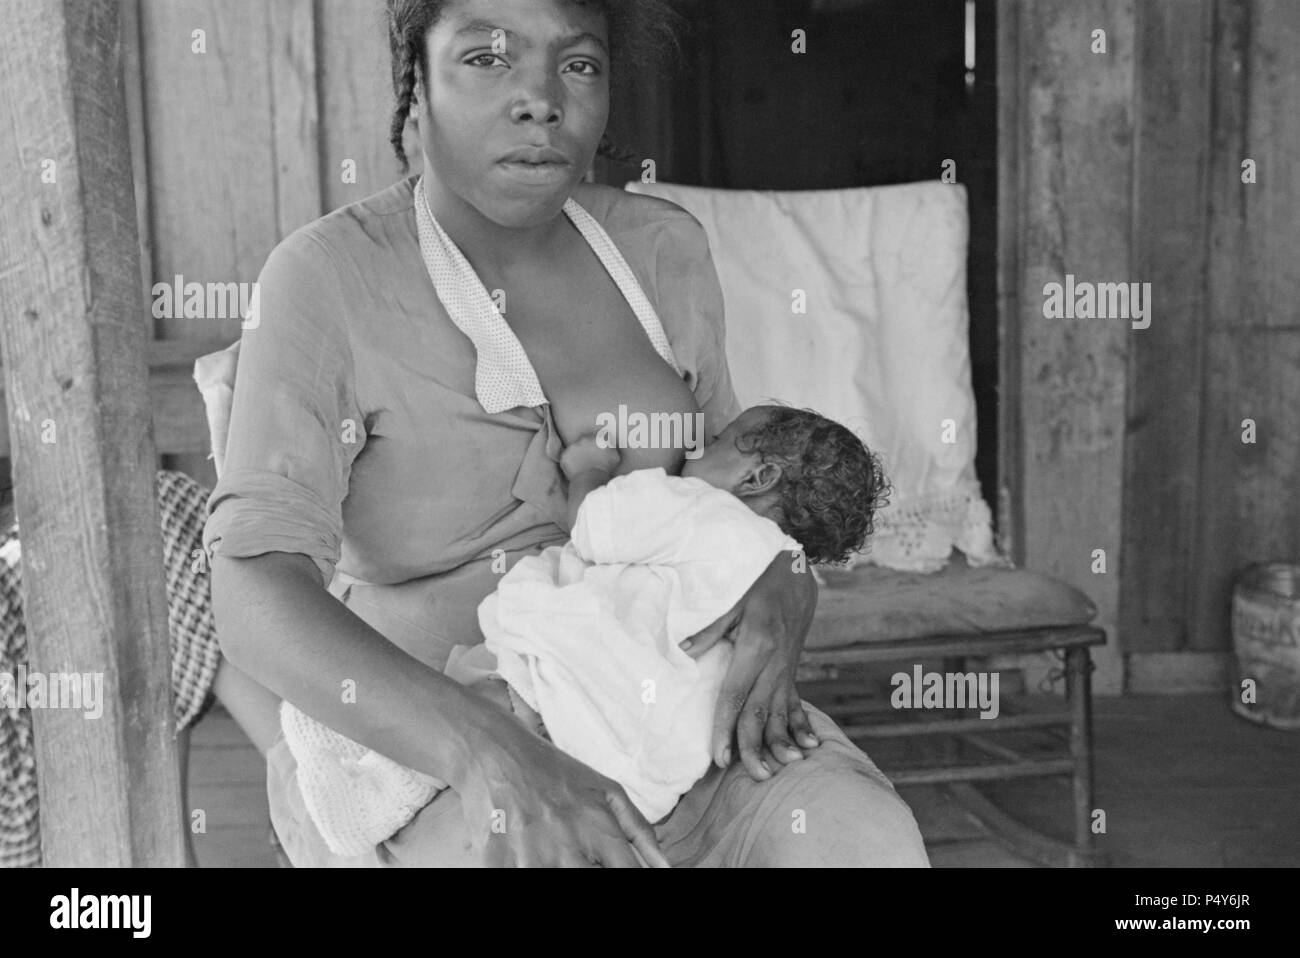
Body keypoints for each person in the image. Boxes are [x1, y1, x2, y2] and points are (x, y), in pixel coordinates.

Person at [204, 0, 930, 867]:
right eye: (486, 59)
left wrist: (785, 573)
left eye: (578, 66)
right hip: (437, 756)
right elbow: (251, 595)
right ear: (417, 78)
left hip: (678, 724)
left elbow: (737, 479)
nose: (541, 99)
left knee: (864, 844)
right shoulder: (327, 278)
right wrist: (493, 754)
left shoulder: (663, 251)